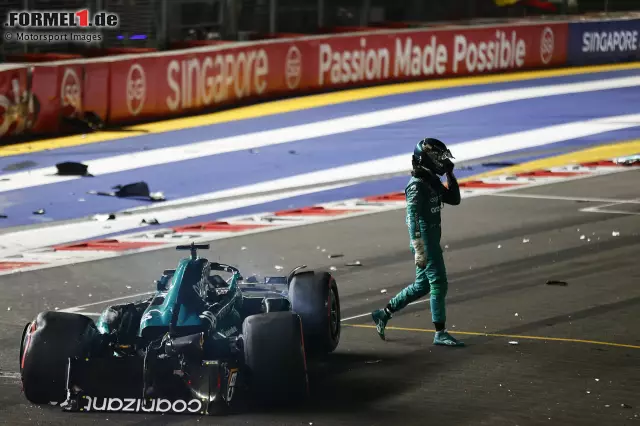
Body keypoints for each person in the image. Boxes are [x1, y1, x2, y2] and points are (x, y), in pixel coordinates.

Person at [372, 138, 464, 347]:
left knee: (422, 285)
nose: (441, 162)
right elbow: (411, 218)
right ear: (427, 159)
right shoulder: (416, 186)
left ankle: (383, 314)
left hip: (431, 237)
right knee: (439, 282)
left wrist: (450, 174)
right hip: (425, 240)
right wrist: (419, 249)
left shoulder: (430, 179)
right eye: (439, 158)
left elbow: (454, 198)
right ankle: (440, 332)